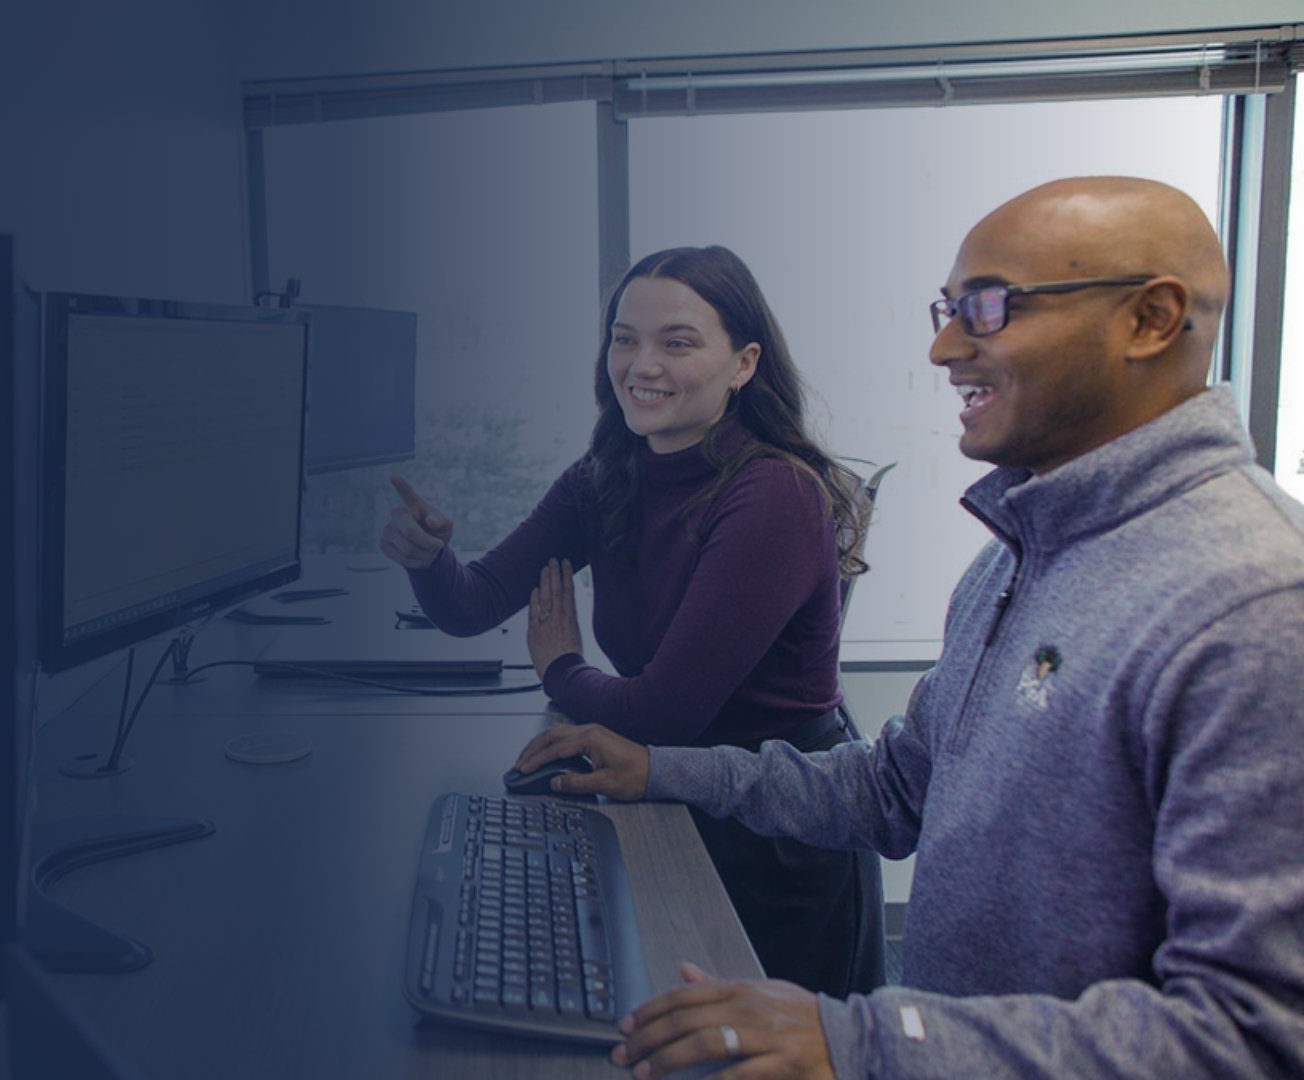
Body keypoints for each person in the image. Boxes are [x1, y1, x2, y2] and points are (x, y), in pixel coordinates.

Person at [515, 177, 1304, 1078]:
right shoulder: (1016, 559)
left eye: (988, 308)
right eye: (946, 308)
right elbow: (893, 790)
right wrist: (659, 769)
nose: (942, 347)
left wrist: (867, 1041)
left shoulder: (1255, 603)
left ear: (1151, 320)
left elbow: (1255, 1036)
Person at [382, 246, 884, 996]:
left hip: (774, 830)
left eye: (676, 342)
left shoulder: (774, 494)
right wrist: (428, 558)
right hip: (671, 797)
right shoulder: (605, 475)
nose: (640, 365)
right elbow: (475, 601)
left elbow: (663, 713)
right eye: (625, 338)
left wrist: (561, 667)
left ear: (744, 363)